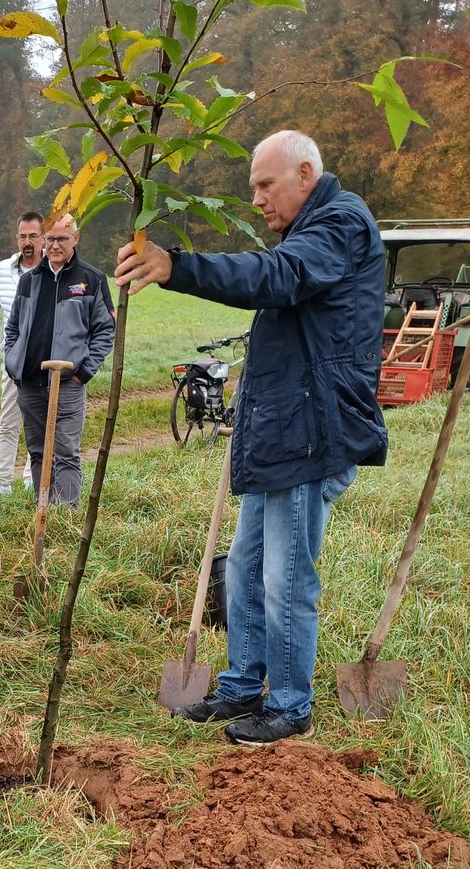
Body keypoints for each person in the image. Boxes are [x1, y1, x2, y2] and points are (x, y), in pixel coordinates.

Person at [113, 130, 388, 746]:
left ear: (306, 174)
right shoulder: (307, 231)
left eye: (266, 185)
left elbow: (278, 277)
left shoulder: (339, 225)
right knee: (244, 566)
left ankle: (290, 704)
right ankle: (242, 683)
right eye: (253, 188)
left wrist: (177, 267)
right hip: (284, 427)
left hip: (313, 431)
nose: (258, 200)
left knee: (286, 575)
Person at [3, 214, 115, 508]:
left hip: (67, 384)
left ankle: (66, 516)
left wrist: (84, 372)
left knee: (65, 451)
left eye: (61, 239)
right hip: (30, 383)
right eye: (49, 238)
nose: (54, 245)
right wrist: (14, 364)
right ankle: (44, 511)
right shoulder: (29, 280)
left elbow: (105, 330)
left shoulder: (91, 279)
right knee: (38, 451)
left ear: (75, 240)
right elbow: (13, 328)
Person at [0, 212, 44, 498]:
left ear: (43, 237)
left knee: (36, 421)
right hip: (11, 360)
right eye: (23, 236)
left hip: (42, 361)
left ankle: (30, 476)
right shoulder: (4, 268)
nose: (27, 242)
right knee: (9, 421)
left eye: (33, 236)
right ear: (17, 238)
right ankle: (2, 482)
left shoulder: (51, 270)